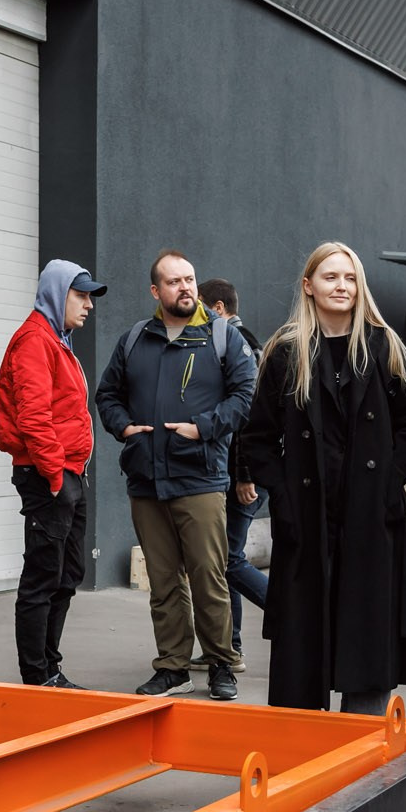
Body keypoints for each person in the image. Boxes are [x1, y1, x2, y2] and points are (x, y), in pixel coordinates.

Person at [237, 243, 406, 712]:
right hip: (306, 521)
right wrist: (283, 497)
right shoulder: (286, 353)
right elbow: (257, 439)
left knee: (365, 639)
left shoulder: (384, 347)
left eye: (349, 277)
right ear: (309, 286)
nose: (342, 286)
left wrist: (388, 484)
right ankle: (303, 753)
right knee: (304, 643)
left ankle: (359, 755)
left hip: (371, 520)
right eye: (330, 277)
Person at [96, 250, 256, 700]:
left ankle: (222, 662)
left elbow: (247, 394)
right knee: (163, 581)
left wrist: (204, 428)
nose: (185, 287)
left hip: (200, 478)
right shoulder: (135, 339)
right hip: (146, 480)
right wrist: (123, 425)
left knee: (210, 576)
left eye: (189, 279)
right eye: (174, 282)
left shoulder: (221, 336)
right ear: (156, 291)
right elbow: (107, 394)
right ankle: (172, 666)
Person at [0, 260, 107, 687]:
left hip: (69, 474)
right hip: (49, 476)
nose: (88, 306)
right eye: (81, 296)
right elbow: (33, 418)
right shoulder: (34, 341)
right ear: (58, 294)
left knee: (67, 574)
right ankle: (37, 677)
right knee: (43, 576)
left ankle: (50, 669)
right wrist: (56, 477)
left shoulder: (57, 340)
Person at [202, 278, 269, 659]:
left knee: (229, 559)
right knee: (226, 558)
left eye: (203, 308)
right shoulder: (236, 340)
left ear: (220, 308)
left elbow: (250, 416)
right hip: (234, 471)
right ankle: (230, 645)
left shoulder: (239, 343)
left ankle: (290, 613)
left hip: (244, 474)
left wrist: (246, 475)